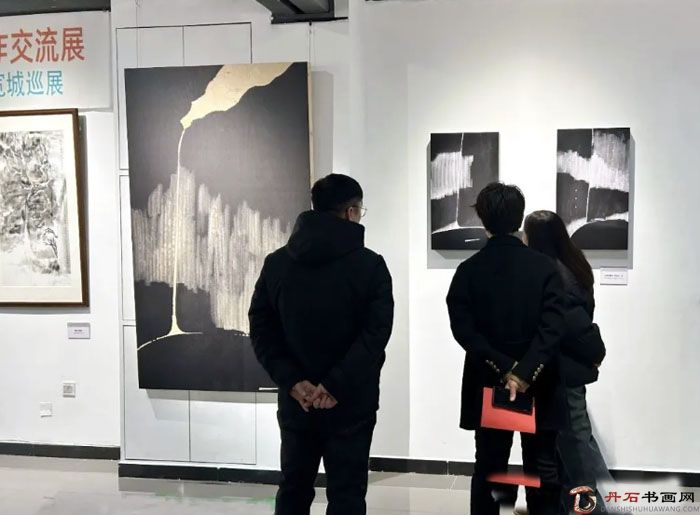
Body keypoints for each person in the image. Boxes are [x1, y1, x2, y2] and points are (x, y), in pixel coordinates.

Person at [248, 173, 394, 515]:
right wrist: (334, 384)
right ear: (351, 212)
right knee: (347, 494)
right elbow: (375, 334)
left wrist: (293, 381)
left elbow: (262, 328)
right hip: (351, 401)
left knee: (293, 489)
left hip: (297, 402)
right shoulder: (370, 266)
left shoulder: (277, 264)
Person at [446, 183, 568, 515]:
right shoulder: (545, 267)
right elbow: (553, 327)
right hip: (539, 382)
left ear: (483, 220)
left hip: (491, 380)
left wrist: (505, 368)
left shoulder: (469, 270)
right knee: (542, 465)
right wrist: (524, 371)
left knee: (490, 465)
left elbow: (465, 331)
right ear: (519, 218)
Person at [523, 210, 610, 514]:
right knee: (570, 447)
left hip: (561, 374)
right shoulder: (573, 266)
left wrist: (595, 352)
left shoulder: (553, 275)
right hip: (566, 372)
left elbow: (574, 327)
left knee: (575, 449)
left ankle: (595, 509)